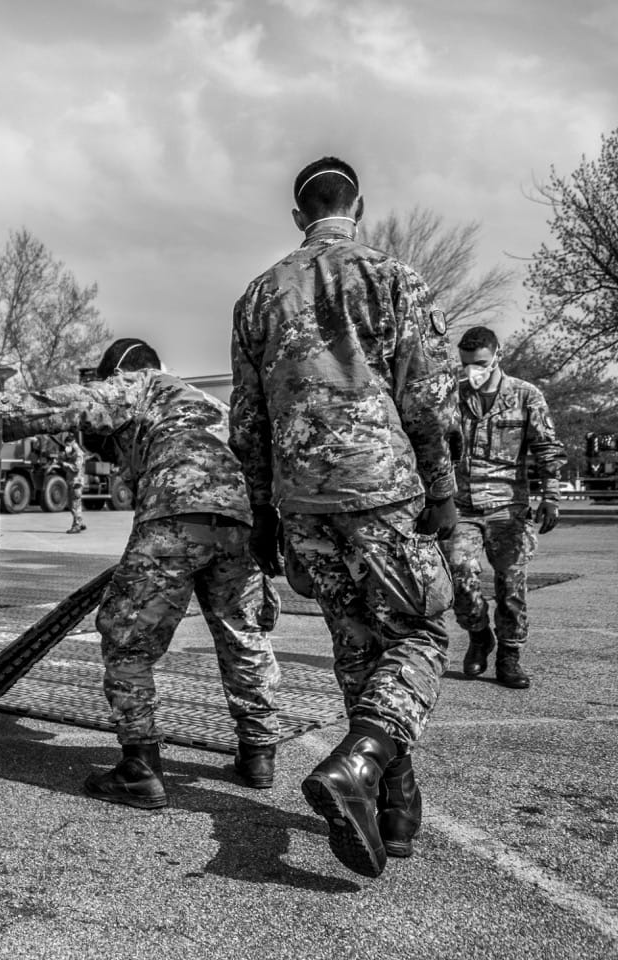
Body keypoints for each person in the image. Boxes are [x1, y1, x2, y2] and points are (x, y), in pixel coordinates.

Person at [230, 156, 459, 878]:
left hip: (302, 500)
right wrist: (443, 488)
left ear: (299, 217)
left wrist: (263, 513)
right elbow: (428, 398)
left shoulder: (258, 295)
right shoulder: (393, 278)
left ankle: (395, 802)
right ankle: (361, 762)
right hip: (378, 486)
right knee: (421, 632)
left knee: (358, 643)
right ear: (358, 207)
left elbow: (248, 420)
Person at [0, 337, 283, 808]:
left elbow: (67, 404)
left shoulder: (139, 384)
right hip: (240, 522)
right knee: (243, 634)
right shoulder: (210, 404)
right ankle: (258, 753)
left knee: (127, 638)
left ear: (121, 372)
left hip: (175, 513)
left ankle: (140, 767)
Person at [444, 325, 567, 689]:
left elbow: (547, 448)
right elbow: (433, 445)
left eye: (481, 363)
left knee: (511, 585)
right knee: (459, 576)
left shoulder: (526, 395)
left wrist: (551, 496)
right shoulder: (452, 395)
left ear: (498, 356)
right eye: (466, 364)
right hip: (463, 506)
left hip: (508, 507)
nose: (473, 372)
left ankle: (509, 656)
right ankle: (479, 635)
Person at [60, 432, 90, 534]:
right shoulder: (73, 453)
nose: (66, 447)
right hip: (73, 481)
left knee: (74, 505)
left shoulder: (78, 453)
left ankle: (76, 525)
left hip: (76, 482)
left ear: (72, 443)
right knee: (75, 504)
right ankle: (79, 523)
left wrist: (66, 464)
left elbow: (76, 467)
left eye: (67, 445)